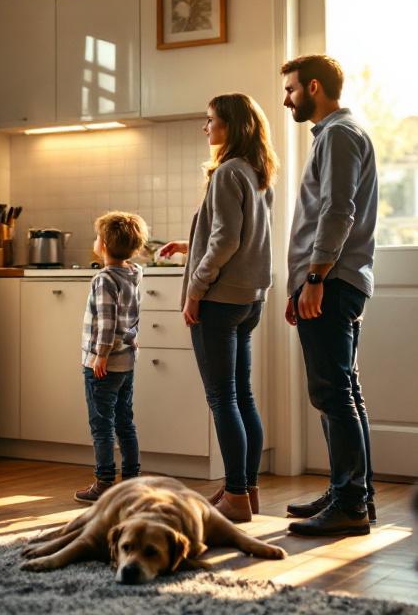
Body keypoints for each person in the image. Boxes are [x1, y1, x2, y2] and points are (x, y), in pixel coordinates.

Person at [158, 94, 277, 524]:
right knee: (241, 395)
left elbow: (226, 240)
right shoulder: (257, 173)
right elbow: (240, 236)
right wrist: (189, 244)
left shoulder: (227, 172)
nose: (205, 127)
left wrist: (194, 289)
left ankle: (236, 498)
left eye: (210, 120)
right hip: (249, 300)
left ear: (231, 125)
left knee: (223, 398)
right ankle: (245, 490)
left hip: (219, 301)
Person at [279, 55, 379, 537]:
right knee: (344, 391)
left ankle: (350, 502)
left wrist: (315, 277)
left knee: (332, 392)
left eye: (291, 89)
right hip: (331, 280)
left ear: (314, 87)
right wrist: (301, 283)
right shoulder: (336, 134)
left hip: (333, 280)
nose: (287, 99)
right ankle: (352, 494)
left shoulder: (339, 134)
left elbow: (338, 210)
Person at [74, 211, 149, 503]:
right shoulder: (133, 273)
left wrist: (100, 355)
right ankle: (132, 482)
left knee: (102, 424)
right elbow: (129, 318)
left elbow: (107, 322)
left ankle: (104, 482)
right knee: (125, 422)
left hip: (103, 365)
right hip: (127, 362)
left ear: (103, 244)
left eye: (97, 237)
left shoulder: (104, 279)